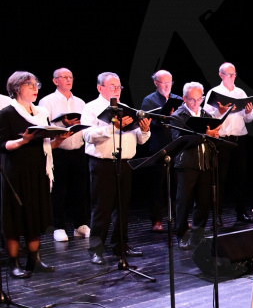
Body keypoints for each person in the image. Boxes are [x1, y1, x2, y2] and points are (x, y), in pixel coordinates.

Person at [0, 72, 69, 277]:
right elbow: (3, 145)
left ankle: (34, 260)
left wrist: (60, 139)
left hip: (38, 170)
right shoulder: (7, 113)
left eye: (35, 84)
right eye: (29, 85)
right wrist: (24, 140)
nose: (34, 88)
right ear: (16, 89)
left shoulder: (41, 113)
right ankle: (14, 263)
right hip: (15, 172)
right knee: (14, 217)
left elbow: (47, 146)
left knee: (35, 214)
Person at [82, 72, 151, 265]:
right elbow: (87, 135)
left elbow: (140, 139)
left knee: (122, 207)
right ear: (100, 88)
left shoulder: (127, 108)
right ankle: (96, 248)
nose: (117, 90)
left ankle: (120, 244)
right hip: (103, 163)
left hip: (125, 163)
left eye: (119, 87)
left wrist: (145, 129)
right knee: (102, 207)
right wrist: (113, 128)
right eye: (112, 86)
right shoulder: (91, 107)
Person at [38, 68, 90, 243]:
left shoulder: (80, 102)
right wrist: (62, 123)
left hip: (78, 149)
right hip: (58, 150)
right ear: (55, 81)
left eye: (70, 77)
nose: (68, 80)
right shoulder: (47, 101)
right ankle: (58, 227)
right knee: (59, 191)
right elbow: (43, 126)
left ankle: (80, 225)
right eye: (64, 77)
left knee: (80, 189)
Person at [203, 62, 253, 223]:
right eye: (229, 74)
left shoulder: (240, 92)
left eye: (234, 74)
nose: (232, 77)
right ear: (221, 75)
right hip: (222, 140)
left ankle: (241, 213)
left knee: (241, 178)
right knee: (220, 178)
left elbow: (248, 119)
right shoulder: (214, 92)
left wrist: (249, 112)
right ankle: (217, 215)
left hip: (239, 138)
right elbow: (206, 116)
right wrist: (219, 111)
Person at [171, 82, 220, 249]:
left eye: (199, 99)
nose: (196, 103)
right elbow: (179, 140)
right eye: (192, 99)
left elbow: (212, 139)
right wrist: (205, 135)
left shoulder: (206, 114)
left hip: (205, 164)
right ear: (184, 98)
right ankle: (182, 235)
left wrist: (214, 136)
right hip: (186, 164)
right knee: (184, 202)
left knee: (203, 201)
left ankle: (198, 234)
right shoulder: (178, 116)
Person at [141, 70, 182, 232]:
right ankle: (157, 219)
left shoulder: (177, 99)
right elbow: (148, 123)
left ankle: (180, 218)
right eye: (163, 82)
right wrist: (166, 117)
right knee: (158, 185)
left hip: (176, 146)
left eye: (169, 82)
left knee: (178, 185)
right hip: (159, 147)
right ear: (156, 83)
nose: (166, 86)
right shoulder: (149, 100)